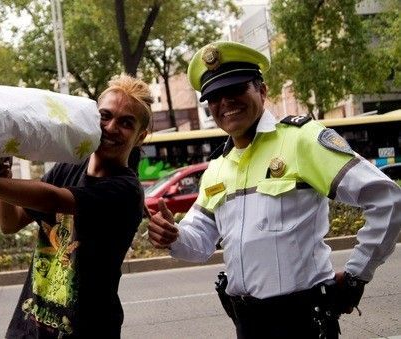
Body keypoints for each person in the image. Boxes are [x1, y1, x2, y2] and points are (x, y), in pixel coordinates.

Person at [147, 41, 401, 338]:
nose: (225, 102)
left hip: (301, 324)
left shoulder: (301, 140)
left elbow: (388, 198)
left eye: (236, 89)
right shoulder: (218, 166)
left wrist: (357, 275)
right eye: (215, 96)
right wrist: (174, 236)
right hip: (247, 324)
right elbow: (200, 243)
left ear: (262, 91)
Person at [0, 74, 152, 338]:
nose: (111, 127)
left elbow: (53, 199)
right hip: (29, 327)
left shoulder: (125, 190)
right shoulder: (69, 166)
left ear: (140, 136)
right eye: (105, 116)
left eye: (125, 123)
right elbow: (10, 223)